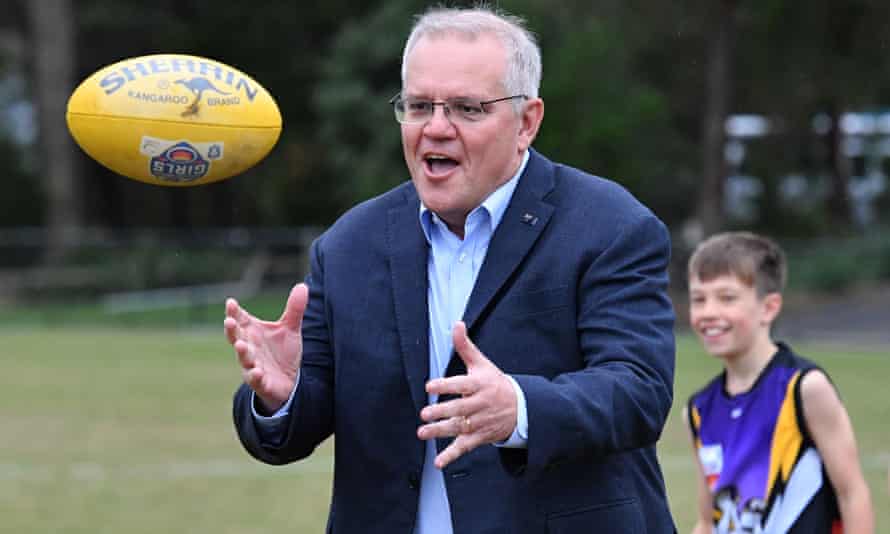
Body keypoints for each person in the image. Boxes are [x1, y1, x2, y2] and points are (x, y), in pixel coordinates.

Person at [226, 6, 676, 533]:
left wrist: (521, 407)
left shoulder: (610, 226)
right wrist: (283, 396)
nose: (436, 128)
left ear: (526, 121)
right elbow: (292, 433)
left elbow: (638, 389)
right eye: (419, 106)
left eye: (466, 108)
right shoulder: (349, 245)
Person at [684, 232, 873, 534]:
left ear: (769, 307)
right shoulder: (698, 410)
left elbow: (852, 494)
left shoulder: (805, 388)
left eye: (727, 298)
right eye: (698, 299)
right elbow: (708, 520)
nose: (709, 312)